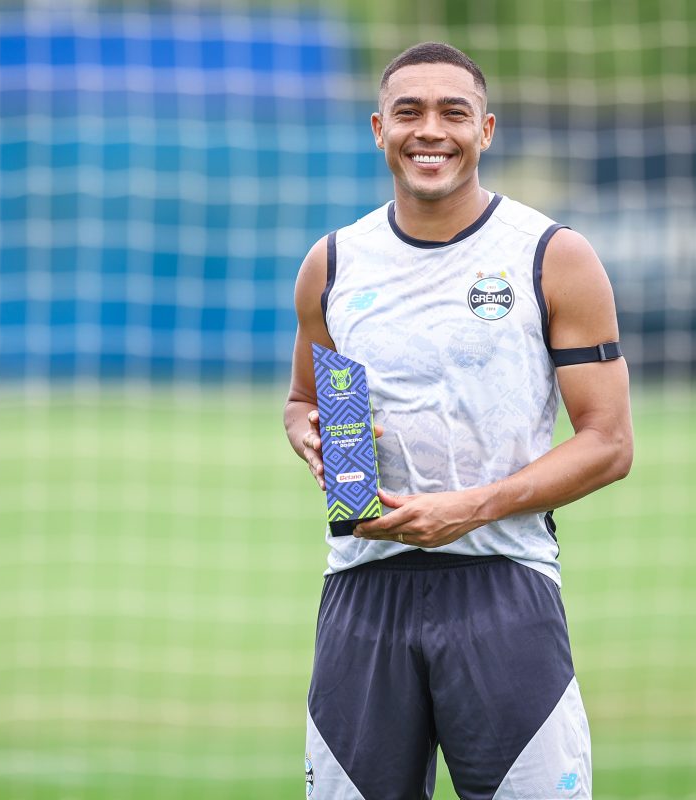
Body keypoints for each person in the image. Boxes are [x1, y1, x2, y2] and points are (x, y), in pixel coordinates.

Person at [283, 42, 633, 800]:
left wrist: (472, 507)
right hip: (362, 589)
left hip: (503, 585)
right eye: (409, 112)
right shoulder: (333, 263)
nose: (430, 131)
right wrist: (309, 435)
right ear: (379, 128)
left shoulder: (552, 255)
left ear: (487, 129)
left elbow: (609, 444)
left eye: (454, 112)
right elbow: (303, 400)